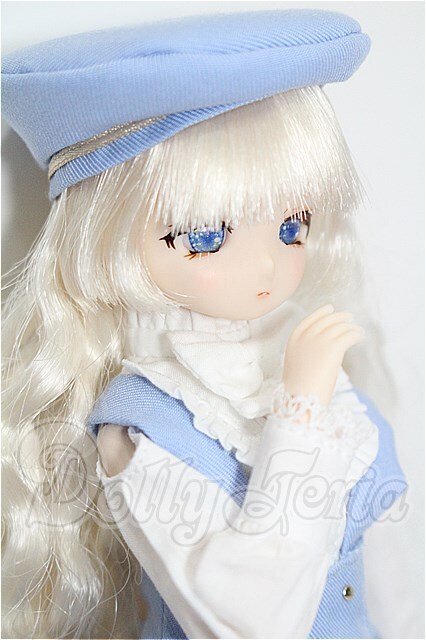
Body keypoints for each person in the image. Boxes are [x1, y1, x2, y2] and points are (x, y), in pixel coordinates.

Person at [1, 9, 407, 639]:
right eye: (206, 237)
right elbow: (254, 622)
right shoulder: (143, 427)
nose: (267, 265)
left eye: (292, 225)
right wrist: (300, 416)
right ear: (107, 237)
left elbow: (392, 581)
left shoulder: (319, 367)